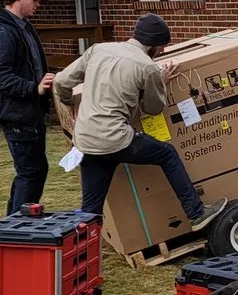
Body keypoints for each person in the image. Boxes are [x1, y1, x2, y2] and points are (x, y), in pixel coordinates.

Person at [53, 13, 226, 229]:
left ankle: (81, 252)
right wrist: (160, 83)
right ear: (153, 44)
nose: (162, 51)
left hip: (86, 140)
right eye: (162, 46)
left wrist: (70, 104)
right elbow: (152, 109)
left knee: (91, 209)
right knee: (167, 154)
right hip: (116, 138)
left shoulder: (98, 50)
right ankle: (196, 212)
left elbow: (60, 81)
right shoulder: (147, 66)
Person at [0, 0, 55, 214]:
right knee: (31, 172)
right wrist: (34, 87)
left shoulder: (23, 27)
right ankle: (16, 229)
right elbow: (2, 76)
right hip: (17, 115)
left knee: (33, 171)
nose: (38, 4)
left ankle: (13, 225)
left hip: (31, 112)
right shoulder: (4, 31)